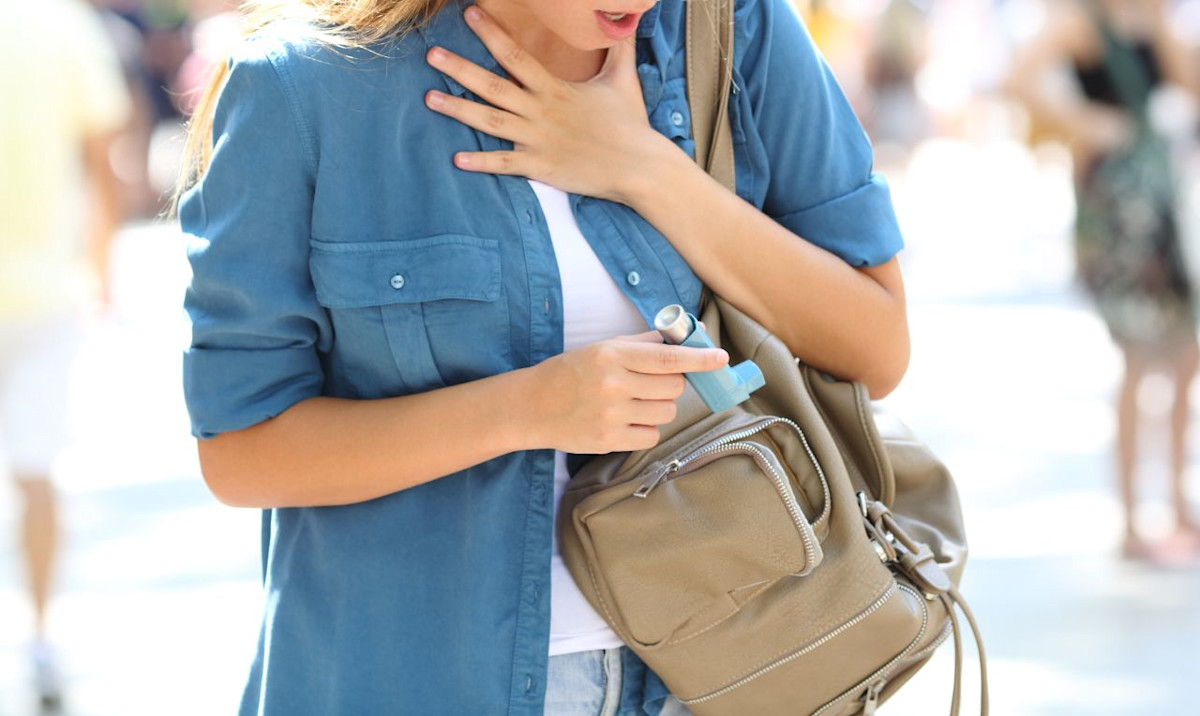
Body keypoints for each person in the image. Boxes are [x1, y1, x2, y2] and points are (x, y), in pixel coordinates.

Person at [175, 0, 909, 712]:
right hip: (415, 681)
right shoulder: (307, 84)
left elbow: (876, 346)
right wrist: (528, 409)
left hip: (711, 675)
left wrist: (645, 168)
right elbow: (242, 451)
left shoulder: (731, 29)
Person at [1006, 0, 1200, 564]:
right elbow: (1017, 80)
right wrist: (1084, 122)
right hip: (1118, 214)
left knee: (1185, 356)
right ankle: (1133, 520)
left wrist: (1163, 27)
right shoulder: (1081, 22)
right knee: (1140, 358)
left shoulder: (1156, 20)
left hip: (1164, 207)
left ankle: (1179, 502)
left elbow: (1188, 90)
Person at [0, 0, 131, 708]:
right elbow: (101, 155)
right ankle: (43, 637)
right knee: (37, 476)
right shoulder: (63, 23)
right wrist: (102, 269)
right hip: (44, 290)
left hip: (43, 290)